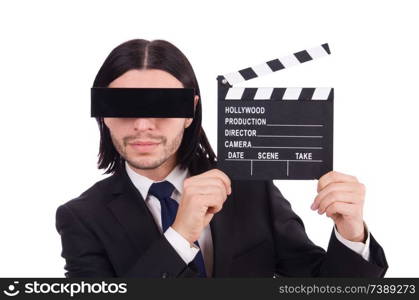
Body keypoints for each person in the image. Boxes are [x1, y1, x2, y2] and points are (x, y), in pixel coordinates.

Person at [55, 39, 388, 278]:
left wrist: (352, 235)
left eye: (163, 105)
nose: (143, 124)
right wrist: (179, 236)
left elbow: (322, 286)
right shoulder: (81, 218)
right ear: (104, 116)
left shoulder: (250, 188)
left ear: (190, 112)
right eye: (124, 106)